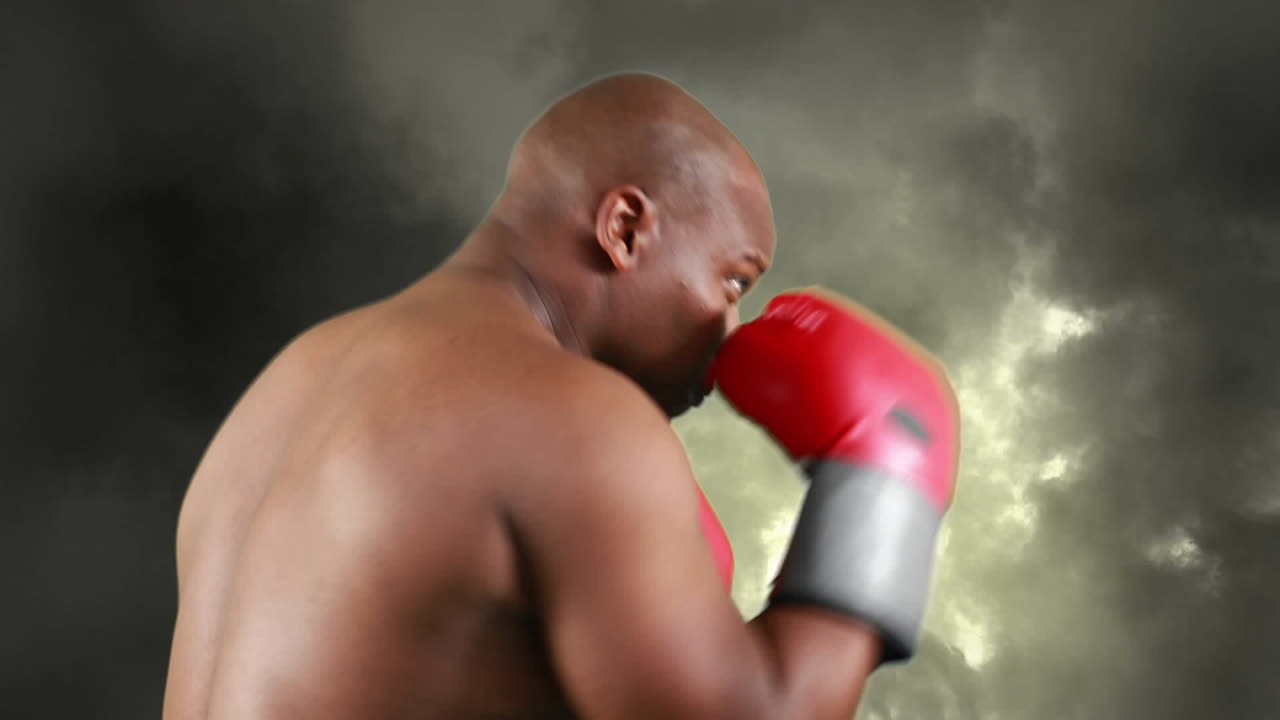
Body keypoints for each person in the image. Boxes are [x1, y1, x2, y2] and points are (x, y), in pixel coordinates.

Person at [162, 72, 960, 720]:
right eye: (732, 281)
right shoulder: (567, 417)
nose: (730, 329)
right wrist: (883, 476)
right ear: (625, 228)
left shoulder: (293, 381)